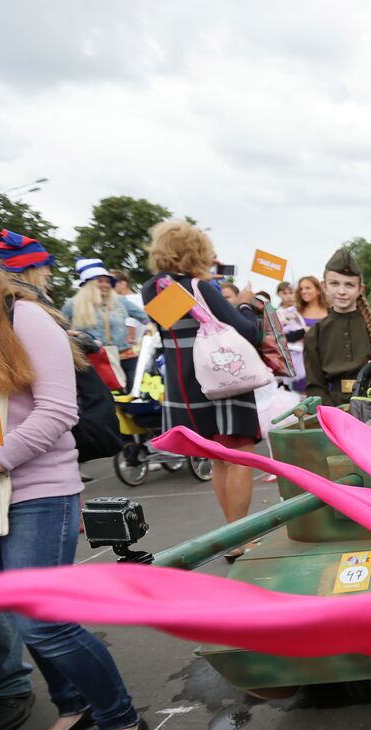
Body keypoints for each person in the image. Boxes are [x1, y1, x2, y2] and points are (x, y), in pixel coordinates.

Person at [0, 193, 148, 730]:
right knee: (5, 607)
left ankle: (119, 716)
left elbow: (57, 412)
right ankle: (73, 704)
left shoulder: (18, 314)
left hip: (34, 485)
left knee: (43, 618)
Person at [142, 221, 262, 559]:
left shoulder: (152, 288)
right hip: (222, 378)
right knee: (239, 456)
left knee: (218, 459)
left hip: (185, 384)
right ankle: (241, 537)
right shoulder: (200, 287)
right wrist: (246, 304)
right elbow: (245, 331)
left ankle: (230, 534)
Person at [303, 249, 371, 408]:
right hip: (333, 408)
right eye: (334, 283)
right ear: (324, 286)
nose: (342, 291)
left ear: (360, 289)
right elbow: (315, 386)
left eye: (349, 285)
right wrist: (334, 413)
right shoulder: (315, 333)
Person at [61, 258, 150, 390]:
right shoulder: (72, 305)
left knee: (132, 398)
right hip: (94, 362)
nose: (105, 285)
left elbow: (145, 318)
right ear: (89, 283)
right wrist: (73, 337)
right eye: (100, 281)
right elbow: (58, 328)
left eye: (108, 281)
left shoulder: (121, 301)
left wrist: (148, 330)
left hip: (127, 360)